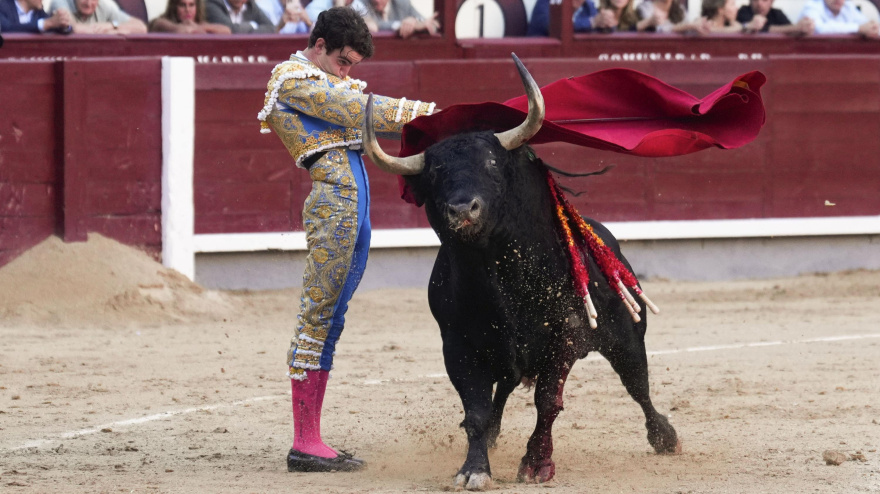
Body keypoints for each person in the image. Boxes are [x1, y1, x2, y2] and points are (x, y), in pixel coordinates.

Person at [257, 6, 436, 473]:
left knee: (332, 318)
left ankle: (311, 437)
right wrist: (438, 118)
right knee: (318, 315)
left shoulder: (329, 80)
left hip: (354, 211)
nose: (346, 73)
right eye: (342, 62)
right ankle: (304, 442)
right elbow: (360, 110)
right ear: (319, 46)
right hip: (333, 210)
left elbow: (354, 100)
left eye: (352, 66)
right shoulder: (291, 80)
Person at [350, 0, 438, 38]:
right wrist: (401, 25)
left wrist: (414, 21)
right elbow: (373, 27)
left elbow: (431, 24)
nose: (377, 0)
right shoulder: (359, 3)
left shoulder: (401, 3)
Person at [48, 0, 147, 33]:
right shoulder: (60, 3)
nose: (89, 3)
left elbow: (141, 28)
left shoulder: (104, 5)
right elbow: (74, 29)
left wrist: (112, 25)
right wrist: (111, 33)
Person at [798, 0, 879, 35]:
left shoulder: (848, 7)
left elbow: (865, 24)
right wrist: (858, 28)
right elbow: (820, 28)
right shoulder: (812, 6)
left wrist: (873, 27)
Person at [149, 0, 231, 33]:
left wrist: (201, 27)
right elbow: (183, 30)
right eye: (182, 5)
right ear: (174, 7)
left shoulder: (201, 24)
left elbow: (227, 31)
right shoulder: (162, 22)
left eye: (191, 5)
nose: (187, 10)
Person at [737, 0, 814, 34]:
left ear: (771, 1)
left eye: (764, 0)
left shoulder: (777, 13)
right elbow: (763, 29)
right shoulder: (743, 11)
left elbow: (790, 30)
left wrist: (805, 28)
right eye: (755, 0)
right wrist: (797, 27)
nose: (759, 4)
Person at [527, 0, 599, 35]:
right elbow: (554, 26)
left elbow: (597, 27)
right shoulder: (546, 2)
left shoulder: (588, 6)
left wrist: (603, 22)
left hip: (574, 56)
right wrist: (590, 22)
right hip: (538, 54)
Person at [635, 0, 710, 33]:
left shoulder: (680, 10)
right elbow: (661, 30)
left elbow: (689, 29)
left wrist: (698, 25)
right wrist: (689, 26)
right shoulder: (645, 8)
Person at [1, 0, 72, 32]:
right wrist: (45, 24)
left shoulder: (39, 12)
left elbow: (53, 25)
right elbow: (7, 28)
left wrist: (63, 24)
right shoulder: (2, 6)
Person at [205, 0, 274, 33]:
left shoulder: (250, 5)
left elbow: (271, 28)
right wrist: (252, 25)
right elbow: (230, 31)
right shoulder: (212, 3)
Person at [702, 0, 766, 32]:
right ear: (720, 9)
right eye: (732, 4)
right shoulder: (705, 25)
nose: (736, 8)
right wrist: (746, 26)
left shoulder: (732, 23)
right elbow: (713, 31)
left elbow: (737, 28)